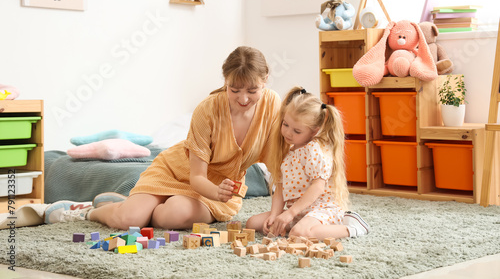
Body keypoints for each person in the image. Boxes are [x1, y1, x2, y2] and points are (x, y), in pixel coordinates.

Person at [44, 46, 281, 230]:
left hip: (219, 189)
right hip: (180, 171)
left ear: (265, 80)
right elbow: (197, 176)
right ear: (225, 81)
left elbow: (277, 167)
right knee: (128, 220)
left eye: (252, 91)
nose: (243, 99)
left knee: (172, 216)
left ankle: (135, 204)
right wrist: (216, 192)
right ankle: (89, 211)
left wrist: (280, 212)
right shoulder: (207, 109)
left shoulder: (273, 105)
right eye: (234, 90)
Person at [245, 86, 370, 240]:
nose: (288, 133)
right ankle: (297, 224)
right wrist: (275, 214)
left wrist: (289, 214)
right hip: (298, 211)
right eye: (285, 125)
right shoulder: (287, 151)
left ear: (314, 131)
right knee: (252, 223)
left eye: (297, 131)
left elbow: (317, 187)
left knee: (300, 234)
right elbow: (280, 187)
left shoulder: (314, 150)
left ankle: (351, 227)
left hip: (322, 209)